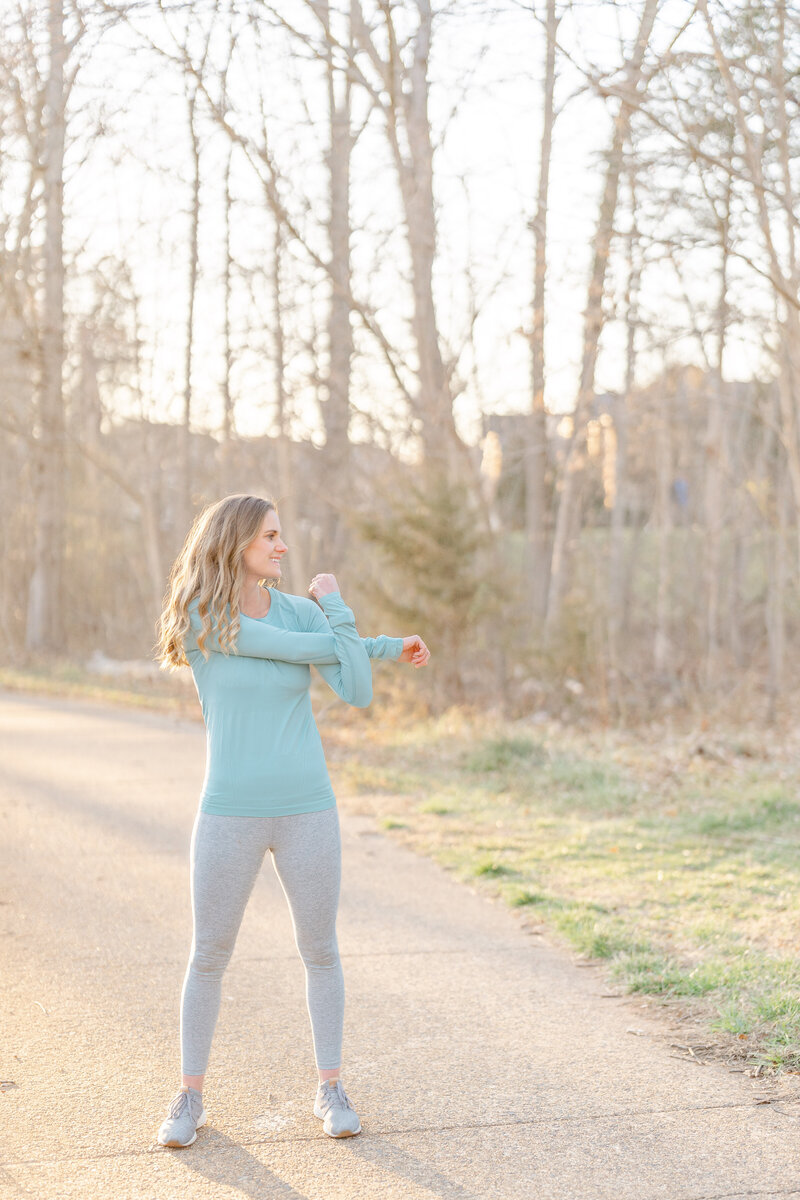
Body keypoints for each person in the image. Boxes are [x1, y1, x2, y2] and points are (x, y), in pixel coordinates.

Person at [154, 493, 430, 1146]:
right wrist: (351, 636)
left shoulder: (306, 612)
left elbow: (356, 690)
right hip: (229, 814)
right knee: (209, 954)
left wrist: (341, 615)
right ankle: (189, 1097)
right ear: (236, 543)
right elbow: (283, 645)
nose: (283, 547)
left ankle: (330, 1086)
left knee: (321, 950)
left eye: (282, 536)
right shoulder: (202, 616)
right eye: (270, 536)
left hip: (309, 809)